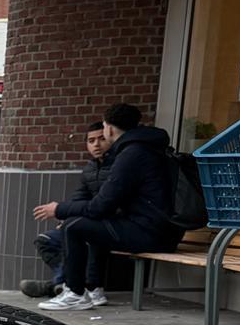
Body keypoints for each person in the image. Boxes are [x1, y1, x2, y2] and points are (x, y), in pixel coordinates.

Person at [36, 103, 181, 312]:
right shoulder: (144, 149)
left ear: (110, 129)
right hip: (158, 229)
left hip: (151, 233)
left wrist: (59, 209)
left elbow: (101, 206)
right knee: (88, 225)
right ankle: (90, 289)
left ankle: (75, 293)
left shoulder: (132, 154)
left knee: (74, 227)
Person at [21, 121, 111, 298]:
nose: (96, 145)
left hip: (110, 226)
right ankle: (62, 283)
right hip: (88, 221)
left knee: (81, 235)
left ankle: (59, 284)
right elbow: (79, 197)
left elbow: (104, 206)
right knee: (45, 240)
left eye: (102, 139)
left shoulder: (119, 167)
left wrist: (65, 213)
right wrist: (66, 218)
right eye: (91, 141)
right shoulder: (90, 168)